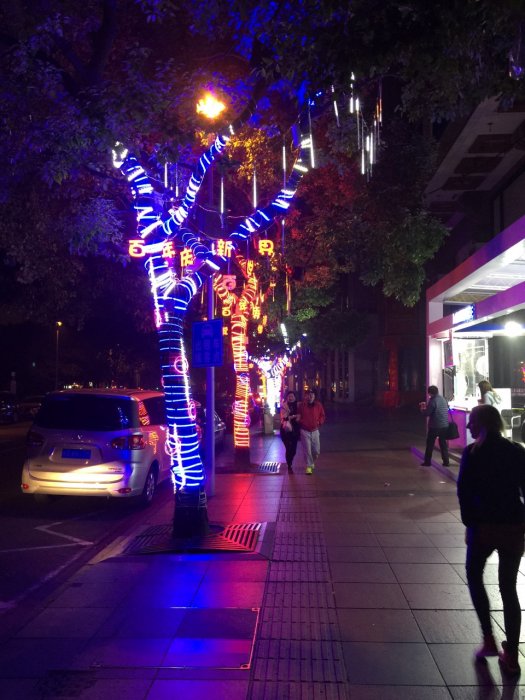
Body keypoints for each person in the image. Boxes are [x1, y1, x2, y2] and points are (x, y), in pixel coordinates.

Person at [457, 404, 525, 675]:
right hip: (512, 526)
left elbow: (463, 492)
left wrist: (469, 523)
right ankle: (512, 655)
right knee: (508, 588)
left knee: (474, 574)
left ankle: (488, 638)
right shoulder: (516, 451)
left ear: (483, 424)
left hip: (483, 525)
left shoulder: (472, 453)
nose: (468, 426)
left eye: (472, 421)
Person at [297, 388, 325, 475]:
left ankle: (311, 462)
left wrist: (319, 422)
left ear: (314, 396)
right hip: (304, 431)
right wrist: (302, 421)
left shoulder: (318, 405)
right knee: (307, 450)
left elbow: (322, 416)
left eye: (312, 394)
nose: (310, 396)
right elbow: (298, 417)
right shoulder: (301, 405)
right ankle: (309, 466)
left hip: (315, 431)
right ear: (305, 396)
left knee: (316, 451)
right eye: (308, 394)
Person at [420, 385, 450, 467]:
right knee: (443, 444)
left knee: (430, 444)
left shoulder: (432, 401)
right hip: (445, 425)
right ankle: (446, 462)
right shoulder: (443, 399)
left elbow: (427, 413)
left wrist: (422, 408)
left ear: (430, 393)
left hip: (435, 426)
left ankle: (427, 462)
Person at [279, 390, 300, 473]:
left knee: (294, 449)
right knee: (288, 447)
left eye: (292, 396)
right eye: (289, 396)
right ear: (287, 397)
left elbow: (301, 415)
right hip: (285, 430)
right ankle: (289, 464)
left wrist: (295, 416)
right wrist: (294, 416)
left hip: (295, 430)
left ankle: (290, 460)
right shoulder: (283, 406)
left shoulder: (298, 405)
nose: (290, 398)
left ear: (295, 397)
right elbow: (284, 417)